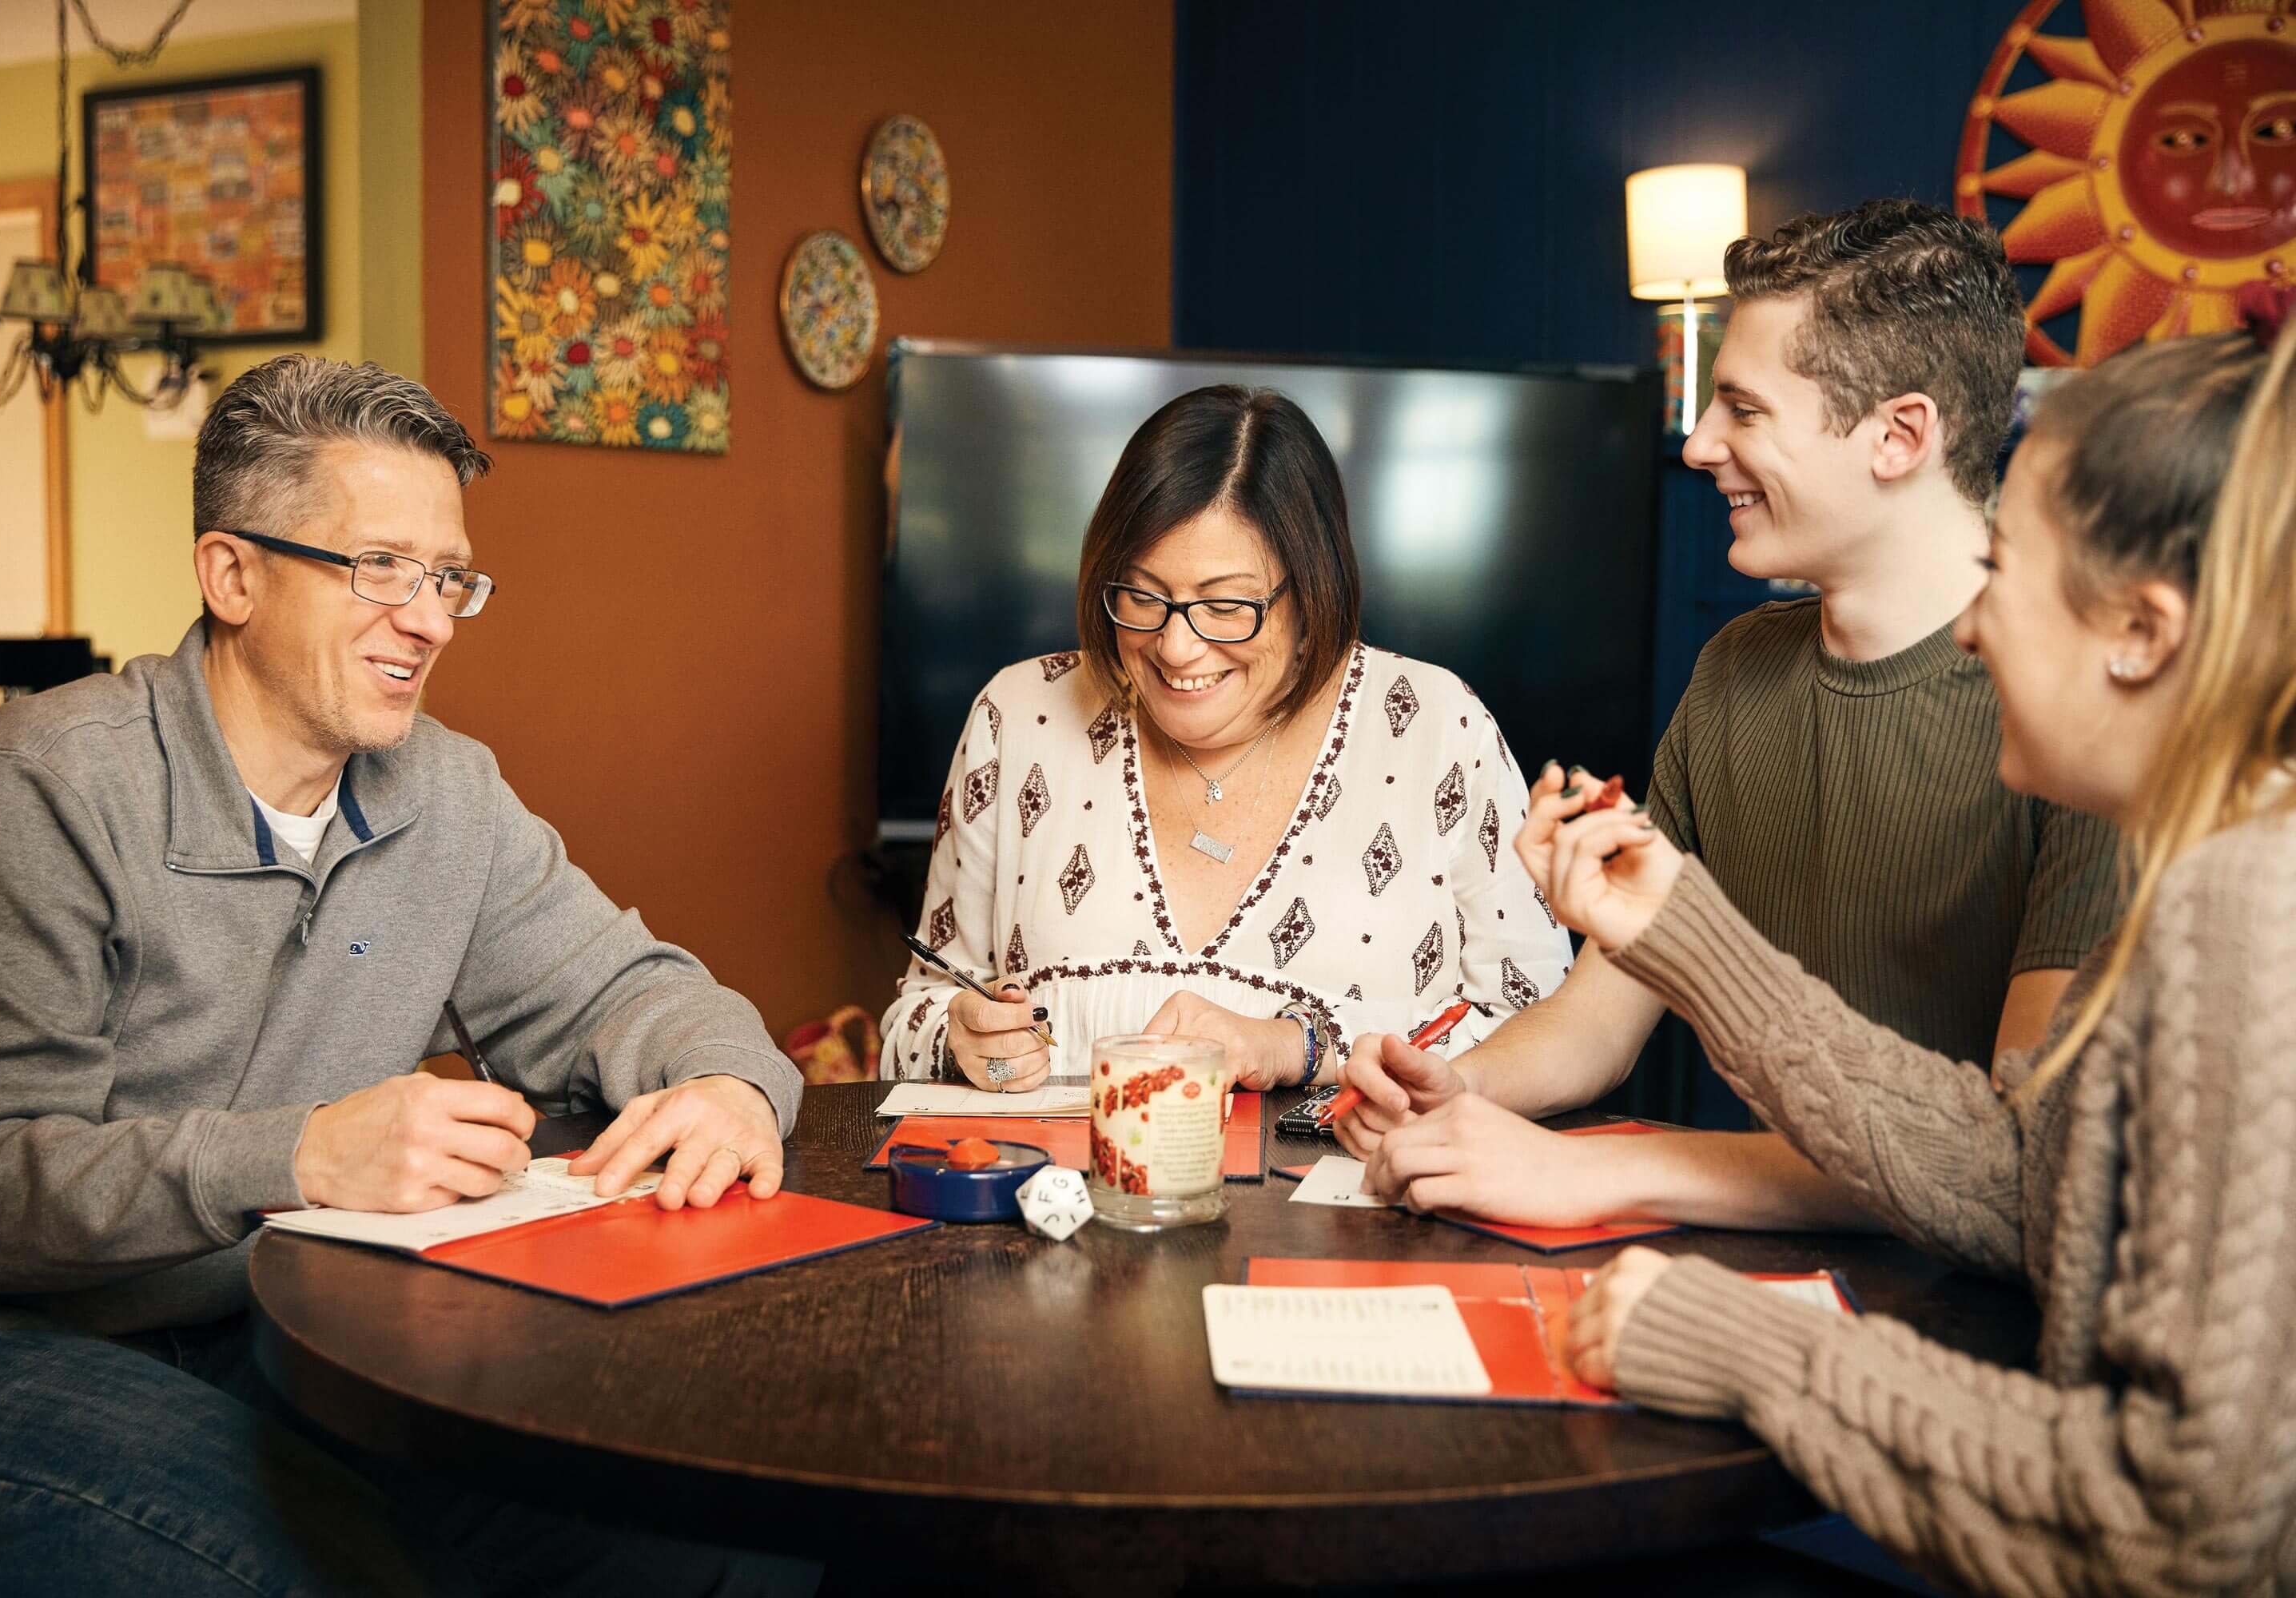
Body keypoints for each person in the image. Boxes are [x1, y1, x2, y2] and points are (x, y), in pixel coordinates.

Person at [0, 356, 811, 1595]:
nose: (429, 618)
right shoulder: (32, 797)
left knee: (716, 1541)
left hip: (289, 1328)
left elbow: (626, 990)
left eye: (448, 577)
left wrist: (731, 1084)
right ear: (232, 575)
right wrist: (301, 1157)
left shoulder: (447, 794)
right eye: (379, 567)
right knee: (339, 1572)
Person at [1522, 287, 2296, 1596]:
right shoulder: (2217, 863)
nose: (1977, 622)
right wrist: (1690, 935)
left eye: (2005, 575)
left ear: (2143, 632)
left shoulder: (2244, 906)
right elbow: (2021, 1176)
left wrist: (1749, 1350)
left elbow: (2184, 1529)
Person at [1340, 200, 2117, 1228]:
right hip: (1730, 1267)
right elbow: (1600, 1021)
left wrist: (1605, 1173)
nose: (1700, 445)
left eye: (1743, 411)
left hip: (1962, 1316)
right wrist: (1459, 1091)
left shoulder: (2090, 717)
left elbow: (2015, 1163)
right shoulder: (1738, 668)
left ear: (1900, 434)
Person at [880, 384, 1570, 1091]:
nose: (1177, 647)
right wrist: (956, 1037)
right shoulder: (1018, 715)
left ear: (1312, 591)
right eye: (1143, 596)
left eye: (1226, 605)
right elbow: (916, 1013)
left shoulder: (1435, 728)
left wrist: (1300, 1047)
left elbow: (1551, 1029)